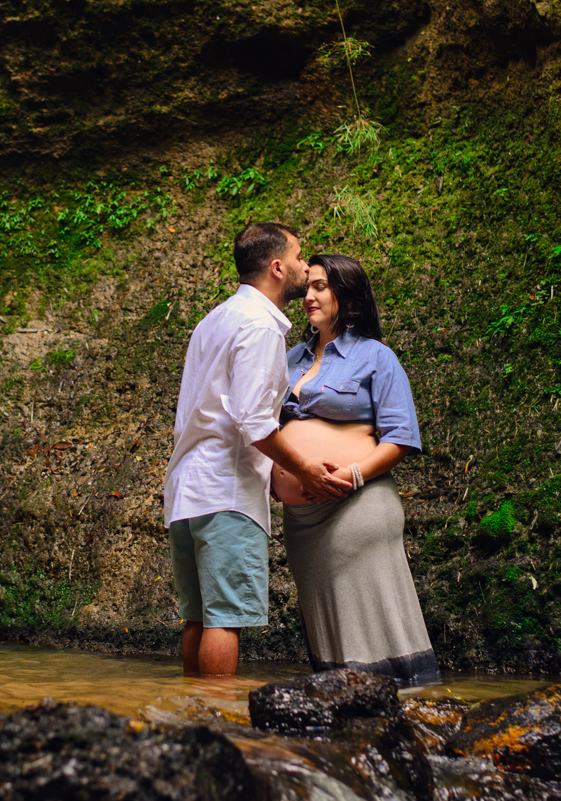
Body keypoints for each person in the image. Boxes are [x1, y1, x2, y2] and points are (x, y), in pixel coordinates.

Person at [164, 224, 353, 677]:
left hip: (187, 491)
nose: (305, 267)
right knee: (227, 618)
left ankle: (194, 721)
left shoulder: (215, 320)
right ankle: (219, 724)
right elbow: (253, 420)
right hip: (227, 493)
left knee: (199, 616)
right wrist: (305, 469)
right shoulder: (262, 326)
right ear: (276, 267)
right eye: (299, 256)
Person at [271, 253, 439, 685]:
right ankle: (346, 718)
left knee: (369, 616)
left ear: (347, 294)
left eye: (320, 286)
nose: (308, 295)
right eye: (307, 286)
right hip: (303, 519)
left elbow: (401, 437)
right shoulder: (289, 358)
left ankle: (405, 705)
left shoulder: (376, 357)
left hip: (356, 504)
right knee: (327, 622)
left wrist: (353, 476)